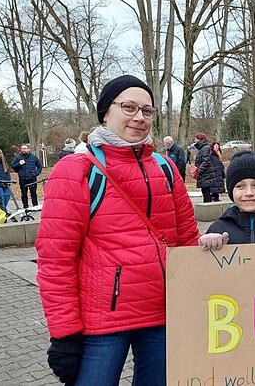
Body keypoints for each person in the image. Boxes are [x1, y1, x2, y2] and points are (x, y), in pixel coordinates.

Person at [36, 74, 200, 386]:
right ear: (105, 112)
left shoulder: (165, 168)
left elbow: (187, 241)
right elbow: (56, 259)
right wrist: (64, 332)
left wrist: (193, 300)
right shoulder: (76, 170)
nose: (139, 117)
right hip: (102, 322)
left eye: (147, 111)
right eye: (129, 107)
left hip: (162, 315)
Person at [194, 134, 225, 203]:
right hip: (205, 173)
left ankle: (208, 206)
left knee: (206, 192)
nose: (194, 141)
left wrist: (199, 170)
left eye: (195, 139)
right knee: (205, 191)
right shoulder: (203, 148)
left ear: (199, 139)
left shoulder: (204, 148)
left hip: (205, 174)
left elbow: (206, 161)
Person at [11, 144, 43, 209]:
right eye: (22, 149)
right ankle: (25, 207)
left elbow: (39, 167)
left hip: (32, 178)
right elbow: (12, 166)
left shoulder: (33, 157)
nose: (23, 150)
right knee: (24, 194)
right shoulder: (18, 157)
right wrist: (19, 164)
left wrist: (35, 173)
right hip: (22, 179)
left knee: (33, 193)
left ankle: (35, 206)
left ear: (28, 149)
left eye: (25, 148)